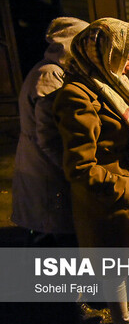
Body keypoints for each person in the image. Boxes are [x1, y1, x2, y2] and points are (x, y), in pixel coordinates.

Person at [53, 17, 129, 324]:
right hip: (105, 198)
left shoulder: (107, 83)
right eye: (126, 58)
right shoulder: (77, 95)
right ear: (103, 53)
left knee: (123, 258)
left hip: (124, 187)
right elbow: (80, 166)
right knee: (113, 261)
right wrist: (122, 188)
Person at [12, 16, 88, 247]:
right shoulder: (50, 75)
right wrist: (72, 170)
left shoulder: (55, 70)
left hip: (43, 163)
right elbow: (48, 135)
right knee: (51, 229)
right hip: (43, 168)